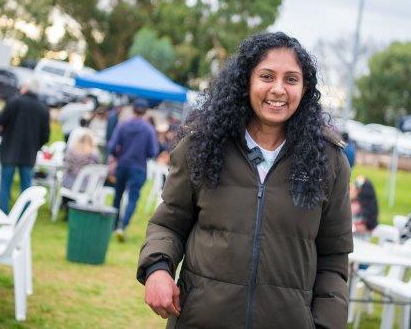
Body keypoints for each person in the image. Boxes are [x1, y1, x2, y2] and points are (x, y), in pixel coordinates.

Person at [137, 32, 353, 328]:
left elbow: (334, 257)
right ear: (246, 82)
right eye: (266, 76)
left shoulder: (329, 161)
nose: (278, 89)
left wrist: (326, 324)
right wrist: (157, 269)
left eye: (291, 79)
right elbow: (168, 223)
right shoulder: (201, 145)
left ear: (304, 89)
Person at [0, 78, 50, 214]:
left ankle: (3, 212)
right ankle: (25, 213)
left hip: (10, 149)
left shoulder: (14, 102)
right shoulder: (42, 108)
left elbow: (1, 121)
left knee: (5, 184)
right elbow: (45, 135)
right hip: (28, 153)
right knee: (26, 186)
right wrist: (36, 146)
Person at [108, 99, 159, 241]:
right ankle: (122, 227)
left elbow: (112, 146)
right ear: (145, 112)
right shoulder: (149, 129)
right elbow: (153, 152)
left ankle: (113, 225)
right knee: (133, 198)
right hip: (138, 167)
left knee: (117, 196)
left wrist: (118, 154)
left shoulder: (123, 125)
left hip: (122, 164)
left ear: (132, 109)